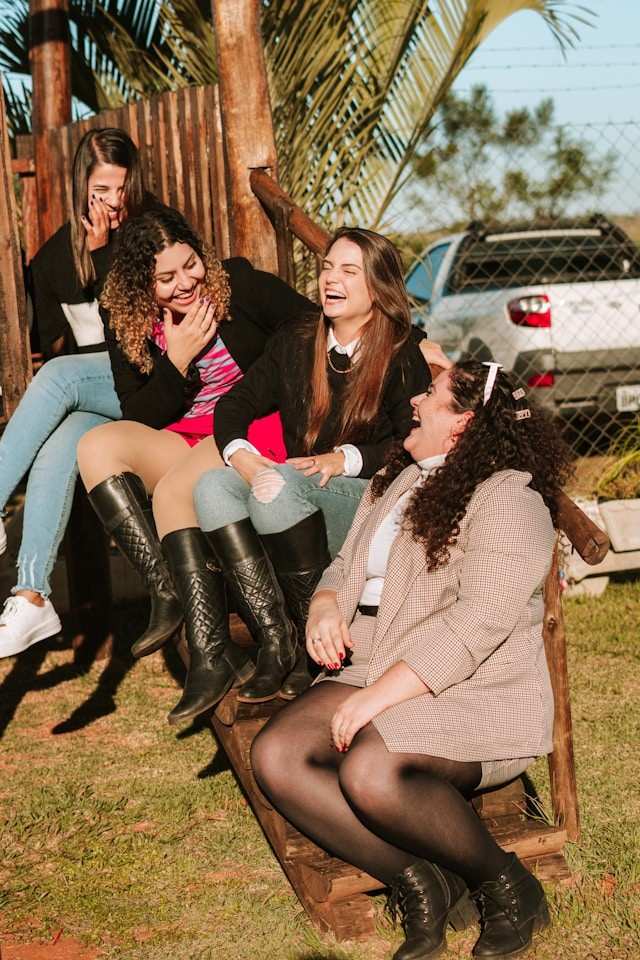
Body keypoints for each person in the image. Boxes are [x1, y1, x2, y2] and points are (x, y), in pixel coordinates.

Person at [251, 360, 574, 960]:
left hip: (476, 686)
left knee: (370, 771)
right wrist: (325, 606)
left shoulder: (507, 498)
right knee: (275, 754)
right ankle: (419, 880)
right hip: (371, 656)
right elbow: (345, 568)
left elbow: (477, 624)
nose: (416, 401)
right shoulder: (396, 481)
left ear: (463, 423)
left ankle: (507, 886)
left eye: (431, 394)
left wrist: (376, 698)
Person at [76, 206, 315, 720]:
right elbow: (138, 411)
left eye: (190, 265)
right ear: (142, 282)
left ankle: (211, 652)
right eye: (166, 277)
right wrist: (177, 360)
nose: (185, 283)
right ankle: (167, 587)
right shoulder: (122, 317)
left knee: (172, 492)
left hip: (247, 428)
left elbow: (311, 323)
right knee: (96, 446)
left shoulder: (239, 286)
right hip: (182, 435)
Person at [192, 227, 431, 712]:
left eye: (348, 270)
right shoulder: (297, 340)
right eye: (326, 268)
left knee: (278, 485)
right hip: (300, 494)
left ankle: (314, 644)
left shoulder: (401, 354)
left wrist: (346, 458)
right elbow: (235, 403)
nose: (331, 279)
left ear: (378, 287)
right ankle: (276, 638)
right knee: (214, 487)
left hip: (370, 503)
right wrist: (239, 453)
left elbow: (412, 447)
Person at [0, 128, 149, 659]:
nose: (113, 203)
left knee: (60, 376)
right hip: (101, 397)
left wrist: (106, 252)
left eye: (121, 189)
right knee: (60, 442)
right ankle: (33, 593)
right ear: (81, 186)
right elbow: (40, 336)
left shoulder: (149, 233)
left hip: (149, 385)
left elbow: (130, 335)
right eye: (101, 190)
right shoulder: (55, 258)